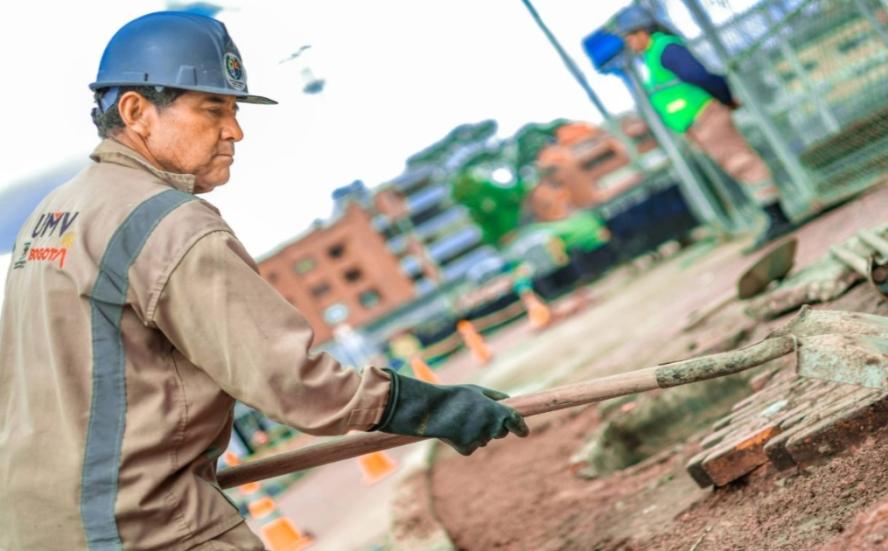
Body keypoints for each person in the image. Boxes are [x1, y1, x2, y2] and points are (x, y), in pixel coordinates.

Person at [0, 11, 527, 551]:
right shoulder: (164, 222)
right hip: (143, 530)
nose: (236, 131)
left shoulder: (51, 219)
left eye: (233, 110)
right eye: (213, 110)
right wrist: (433, 407)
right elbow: (293, 384)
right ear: (137, 112)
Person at [614, 5, 795, 247]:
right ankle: (773, 215)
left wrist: (725, 98)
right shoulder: (654, 56)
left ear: (641, 32)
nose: (629, 44)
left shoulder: (665, 48)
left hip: (704, 115)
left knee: (741, 161)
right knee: (737, 165)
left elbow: (700, 76)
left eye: (629, 37)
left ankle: (777, 217)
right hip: (696, 122)